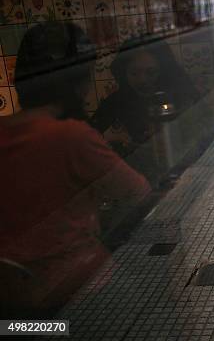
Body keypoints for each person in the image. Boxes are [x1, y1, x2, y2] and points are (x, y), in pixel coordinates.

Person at [0, 22, 151, 316]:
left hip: (12, 307)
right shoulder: (69, 136)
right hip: (77, 292)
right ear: (77, 80)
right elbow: (138, 192)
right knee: (151, 304)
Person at [90, 39, 198, 156]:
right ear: (123, 73)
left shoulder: (181, 96)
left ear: (164, 71)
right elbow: (91, 144)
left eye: (151, 72)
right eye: (134, 73)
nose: (143, 80)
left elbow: (202, 135)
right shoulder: (114, 104)